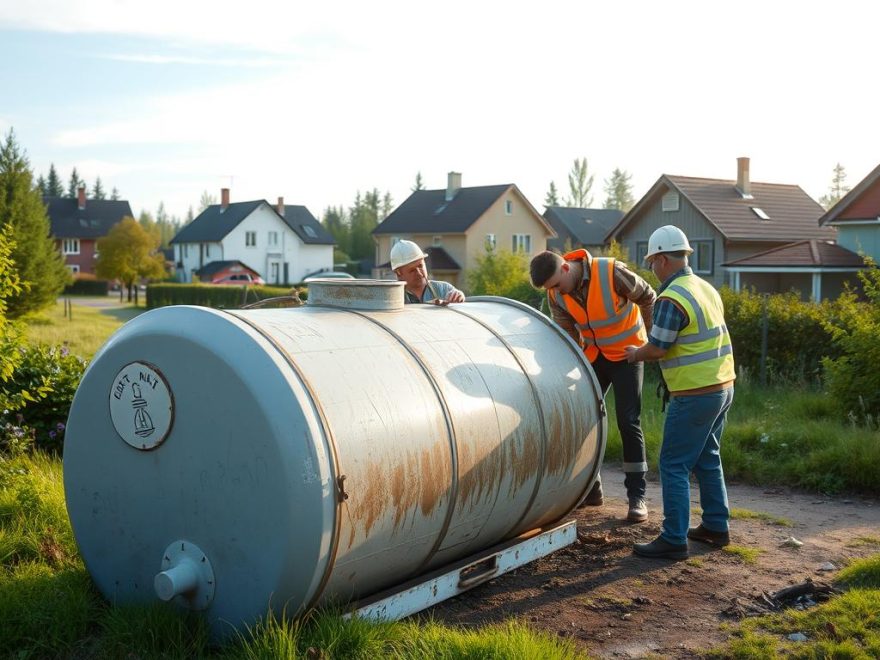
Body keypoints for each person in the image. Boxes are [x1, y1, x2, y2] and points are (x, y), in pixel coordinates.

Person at [625, 225, 735, 560]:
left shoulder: (672, 297)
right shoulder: (704, 287)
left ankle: (673, 538)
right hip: (722, 386)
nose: (652, 270)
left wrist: (635, 354)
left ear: (661, 259)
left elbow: (658, 348)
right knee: (707, 457)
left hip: (694, 393)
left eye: (652, 263)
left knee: (673, 464)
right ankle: (716, 526)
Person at [530, 248, 655, 523]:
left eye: (556, 285)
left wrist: (650, 344)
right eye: (551, 289)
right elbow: (568, 335)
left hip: (627, 354)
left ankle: (637, 497)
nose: (556, 292)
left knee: (627, 421)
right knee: (583, 418)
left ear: (565, 268)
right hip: (594, 358)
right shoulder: (555, 294)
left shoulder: (611, 272)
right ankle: (592, 490)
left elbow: (648, 297)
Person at [390, 240, 466, 305]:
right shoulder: (392, 299)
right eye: (412, 270)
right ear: (398, 273)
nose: (419, 273)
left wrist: (459, 297)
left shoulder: (444, 290)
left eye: (420, 266)